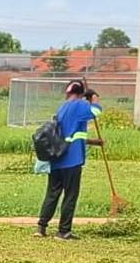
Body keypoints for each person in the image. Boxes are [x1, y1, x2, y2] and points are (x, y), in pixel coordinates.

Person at [36, 80, 103, 240]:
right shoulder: (80, 105)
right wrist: (94, 98)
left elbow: (71, 134)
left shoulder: (62, 108)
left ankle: (41, 227)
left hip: (57, 157)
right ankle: (63, 231)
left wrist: (93, 142)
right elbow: (96, 111)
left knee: (52, 192)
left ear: (68, 93)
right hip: (72, 159)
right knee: (71, 194)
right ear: (81, 94)